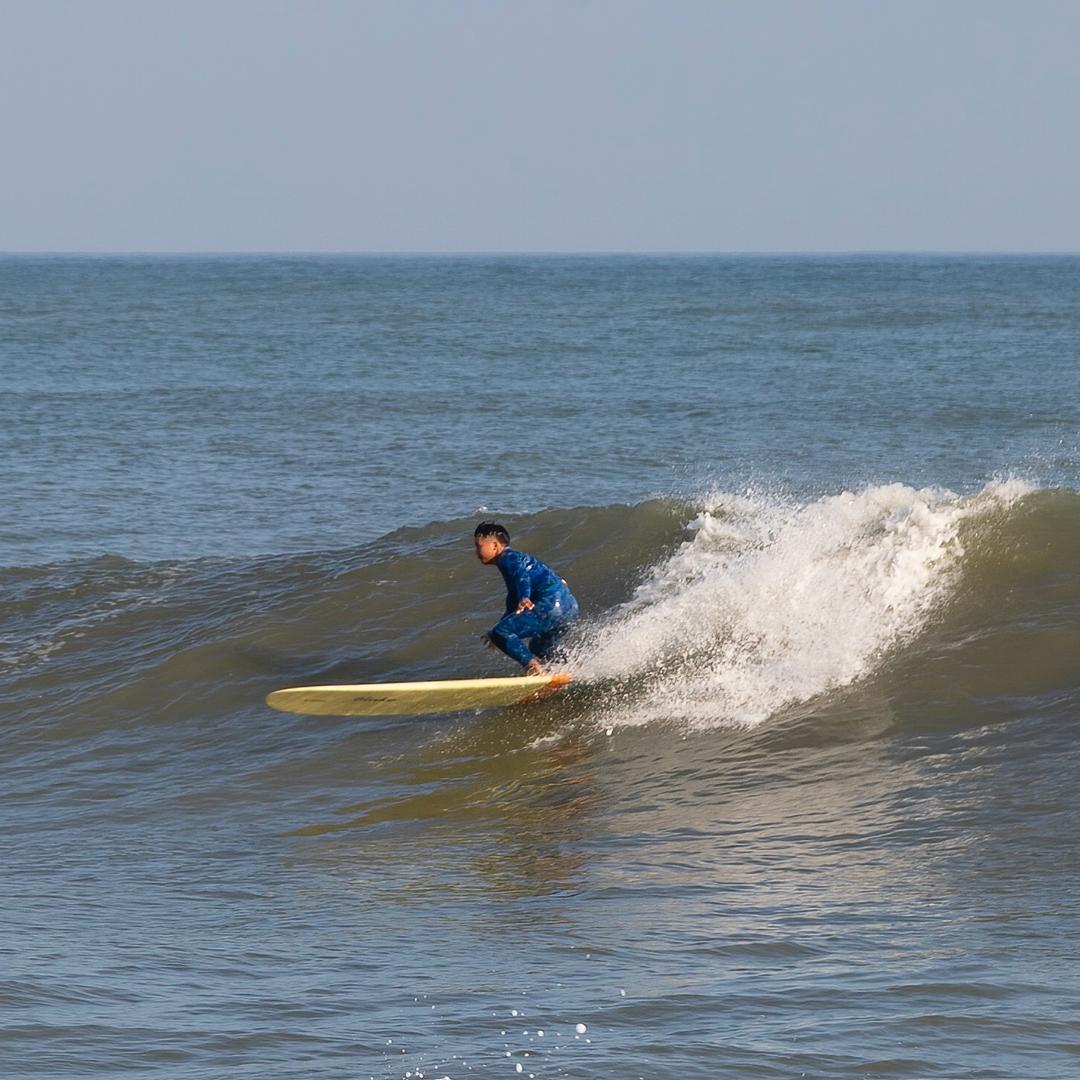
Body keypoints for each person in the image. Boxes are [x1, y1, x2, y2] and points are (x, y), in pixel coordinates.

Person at [474, 522, 579, 676]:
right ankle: (570, 669)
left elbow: (521, 577)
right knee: (539, 647)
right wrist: (496, 631)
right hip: (570, 609)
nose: (476, 551)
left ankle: (533, 668)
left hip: (550, 606)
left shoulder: (507, 558)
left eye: (479, 546)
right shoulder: (519, 558)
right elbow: (512, 604)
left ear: (495, 546)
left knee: (501, 632)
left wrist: (524, 597)